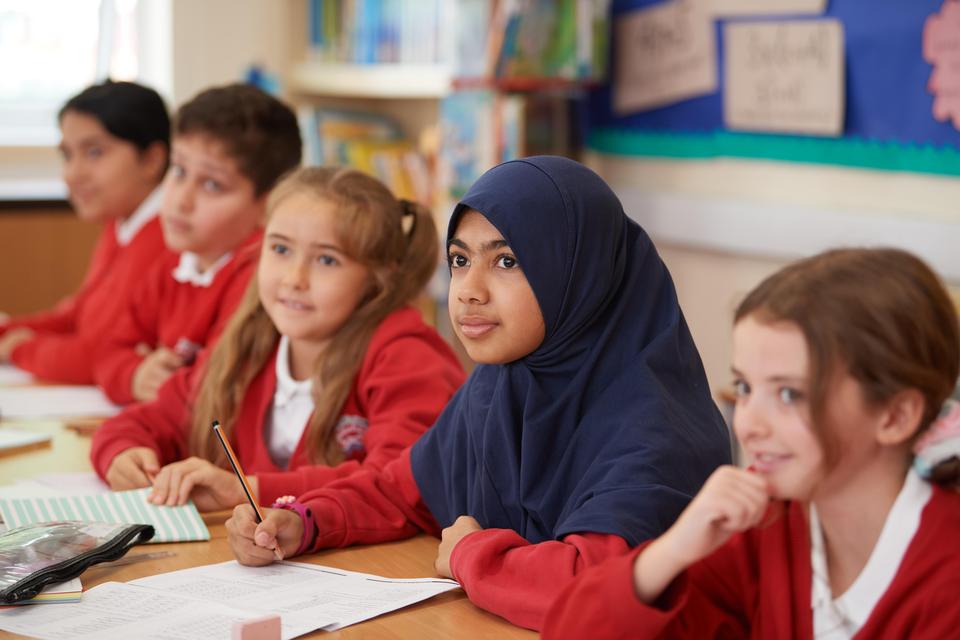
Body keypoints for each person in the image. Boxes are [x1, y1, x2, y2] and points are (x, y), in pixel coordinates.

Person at [225, 156, 731, 630]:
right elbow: (401, 492)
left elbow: (597, 586)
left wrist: (473, 556)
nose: (469, 289)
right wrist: (302, 521)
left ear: (581, 274)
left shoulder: (654, 430)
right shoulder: (501, 383)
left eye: (507, 261)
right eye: (461, 260)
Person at [542, 248, 960, 639]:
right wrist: (670, 552)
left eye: (789, 394)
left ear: (895, 416)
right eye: (744, 387)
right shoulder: (763, 528)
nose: (749, 423)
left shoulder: (946, 573)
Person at [90, 166, 465, 510]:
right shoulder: (250, 342)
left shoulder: (407, 357)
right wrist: (123, 454)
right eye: (281, 249)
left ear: (378, 277)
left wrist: (249, 490)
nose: (294, 278)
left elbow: (399, 483)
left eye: (327, 260)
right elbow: (144, 421)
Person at [92, 83, 302, 404]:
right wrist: (134, 375)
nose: (181, 199)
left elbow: (213, 390)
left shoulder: (260, 277)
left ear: (269, 205)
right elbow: (107, 348)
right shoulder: (178, 262)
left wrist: (161, 384)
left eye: (211, 184)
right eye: (178, 171)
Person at [0, 81, 169, 382]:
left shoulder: (168, 237)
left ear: (151, 160)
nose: (72, 174)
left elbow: (104, 354)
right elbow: (78, 315)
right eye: (67, 155)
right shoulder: (120, 223)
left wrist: (23, 349)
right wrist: (8, 332)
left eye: (94, 152)